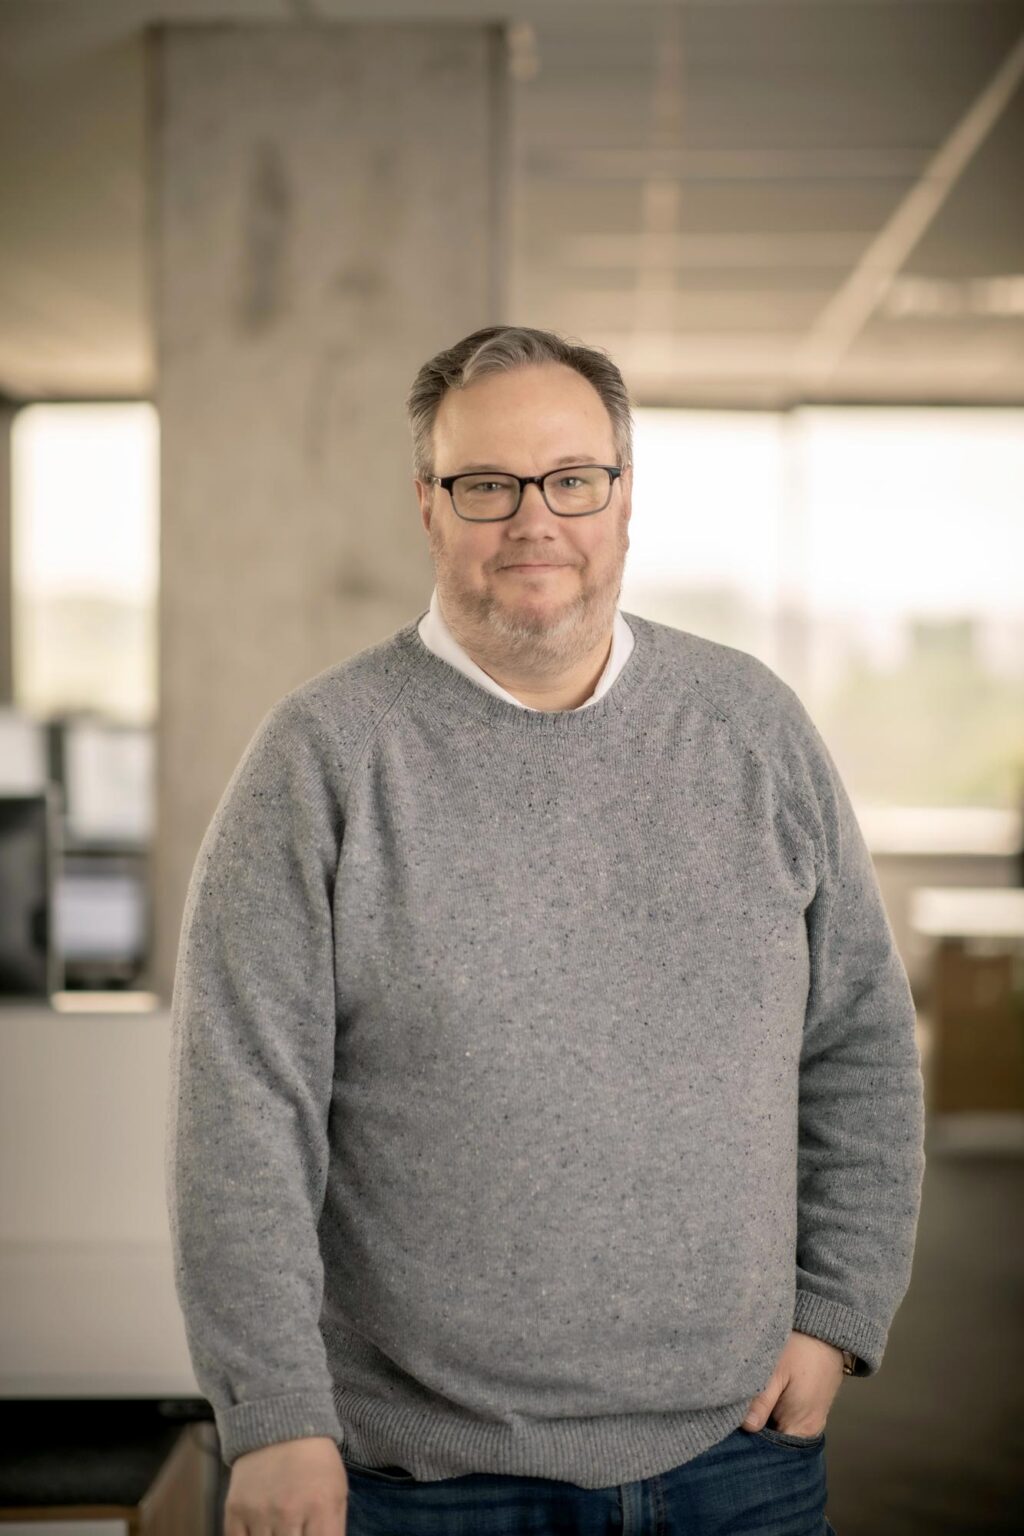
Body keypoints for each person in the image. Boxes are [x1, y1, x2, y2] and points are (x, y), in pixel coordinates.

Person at [166, 325, 926, 1536]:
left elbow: (860, 1047)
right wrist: (274, 1413)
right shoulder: (321, 761)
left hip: (736, 1454)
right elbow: (241, 1116)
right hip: (421, 1479)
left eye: (572, 479)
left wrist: (835, 1313)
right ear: (427, 503)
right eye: (486, 485)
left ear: (622, 499)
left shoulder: (751, 728)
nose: (535, 521)